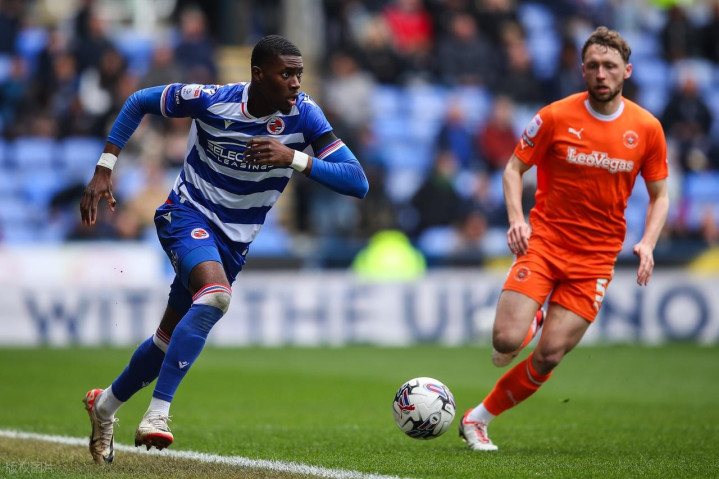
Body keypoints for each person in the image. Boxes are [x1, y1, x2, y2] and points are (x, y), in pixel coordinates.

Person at [79, 35, 368, 464]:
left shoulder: (305, 115)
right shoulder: (212, 100)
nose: (295, 83)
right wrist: (105, 167)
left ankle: (103, 407)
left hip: (233, 242)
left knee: (165, 341)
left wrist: (293, 158)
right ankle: (158, 413)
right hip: (186, 214)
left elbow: (357, 181)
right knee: (215, 296)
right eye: (286, 74)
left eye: (299, 74)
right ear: (258, 75)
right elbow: (140, 100)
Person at [458, 26, 669, 451]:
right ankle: (533, 318)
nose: (601, 73)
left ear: (627, 71)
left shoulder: (647, 128)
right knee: (505, 342)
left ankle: (477, 419)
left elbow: (660, 195)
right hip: (545, 243)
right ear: (582, 70)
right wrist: (516, 220)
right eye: (593, 65)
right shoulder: (554, 116)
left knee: (550, 354)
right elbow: (513, 169)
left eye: (610, 66)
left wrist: (648, 242)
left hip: (596, 259)